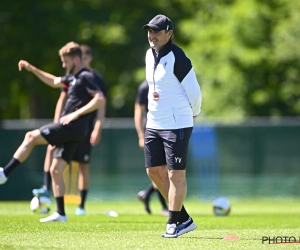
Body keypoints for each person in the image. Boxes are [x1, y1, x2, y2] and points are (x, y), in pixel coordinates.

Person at [0, 41, 105, 223]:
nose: (63, 65)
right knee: (57, 170)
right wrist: (32, 69)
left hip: (71, 127)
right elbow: (53, 81)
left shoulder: (86, 76)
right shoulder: (71, 78)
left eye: (65, 61)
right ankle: (61, 213)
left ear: (75, 59)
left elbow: (100, 99)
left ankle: (5, 173)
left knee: (30, 136)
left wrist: (75, 114)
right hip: (74, 131)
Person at [142, 14, 202, 237]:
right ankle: (184, 218)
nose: (152, 35)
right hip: (154, 122)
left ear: (169, 34)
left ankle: (173, 222)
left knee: (175, 175)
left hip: (177, 123)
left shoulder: (178, 57)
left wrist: (194, 113)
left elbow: (194, 92)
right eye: (149, 31)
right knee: (153, 171)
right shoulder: (149, 54)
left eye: (157, 31)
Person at [32, 44, 107, 216]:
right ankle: (46, 188)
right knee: (52, 152)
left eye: (86, 57)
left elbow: (101, 102)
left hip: (84, 128)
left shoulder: (95, 78)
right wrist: (56, 122)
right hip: (67, 125)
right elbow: (62, 97)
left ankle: (81, 205)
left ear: (88, 58)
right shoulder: (71, 76)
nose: (84, 60)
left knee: (83, 165)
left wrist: (97, 127)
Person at [134, 80, 168, 216]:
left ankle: (147, 195)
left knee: (163, 171)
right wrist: (141, 135)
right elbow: (138, 112)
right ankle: (165, 207)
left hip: (166, 130)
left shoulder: (167, 84)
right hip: (152, 132)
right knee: (159, 171)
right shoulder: (144, 87)